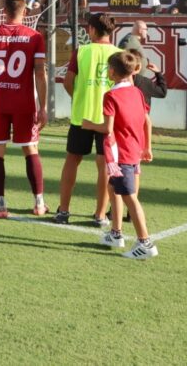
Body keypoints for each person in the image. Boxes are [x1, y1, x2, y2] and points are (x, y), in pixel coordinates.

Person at [0, 0, 49, 218]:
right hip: (23, 103)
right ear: (24, 12)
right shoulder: (34, 36)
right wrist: (43, 106)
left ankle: (0, 205)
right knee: (30, 148)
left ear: (4, 11)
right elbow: (39, 72)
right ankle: (39, 203)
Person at [82, 51, 158, 260]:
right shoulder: (137, 92)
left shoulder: (111, 95)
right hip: (132, 149)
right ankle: (116, 234)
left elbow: (108, 127)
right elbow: (146, 121)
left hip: (119, 152)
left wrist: (88, 124)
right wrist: (147, 147)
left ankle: (145, 242)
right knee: (113, 187)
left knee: (129, 197)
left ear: (112, 71)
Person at [55, 12, 121, 226]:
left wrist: (80, 97)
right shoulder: (119, 54)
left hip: (81, 117)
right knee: (104, 165)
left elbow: (67, 82)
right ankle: (100, 214)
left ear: (92, 30)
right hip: (108, 120)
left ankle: (63, 211)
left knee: (72, 160)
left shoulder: (81, 51)